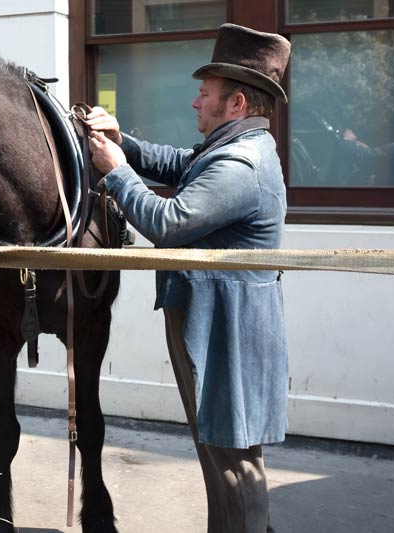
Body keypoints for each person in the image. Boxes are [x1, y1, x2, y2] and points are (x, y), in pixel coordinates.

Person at [87, 23, 290, 533]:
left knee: (234, 463)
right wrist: (122, 142)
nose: (196, 103)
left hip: (229, 330)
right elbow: (180, 164)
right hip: (214, 320)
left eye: (205, 94)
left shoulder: (242, 165)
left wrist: (115, 171)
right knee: (219, 454)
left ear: (237, 103)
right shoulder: (227, 150)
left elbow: (168, 223)